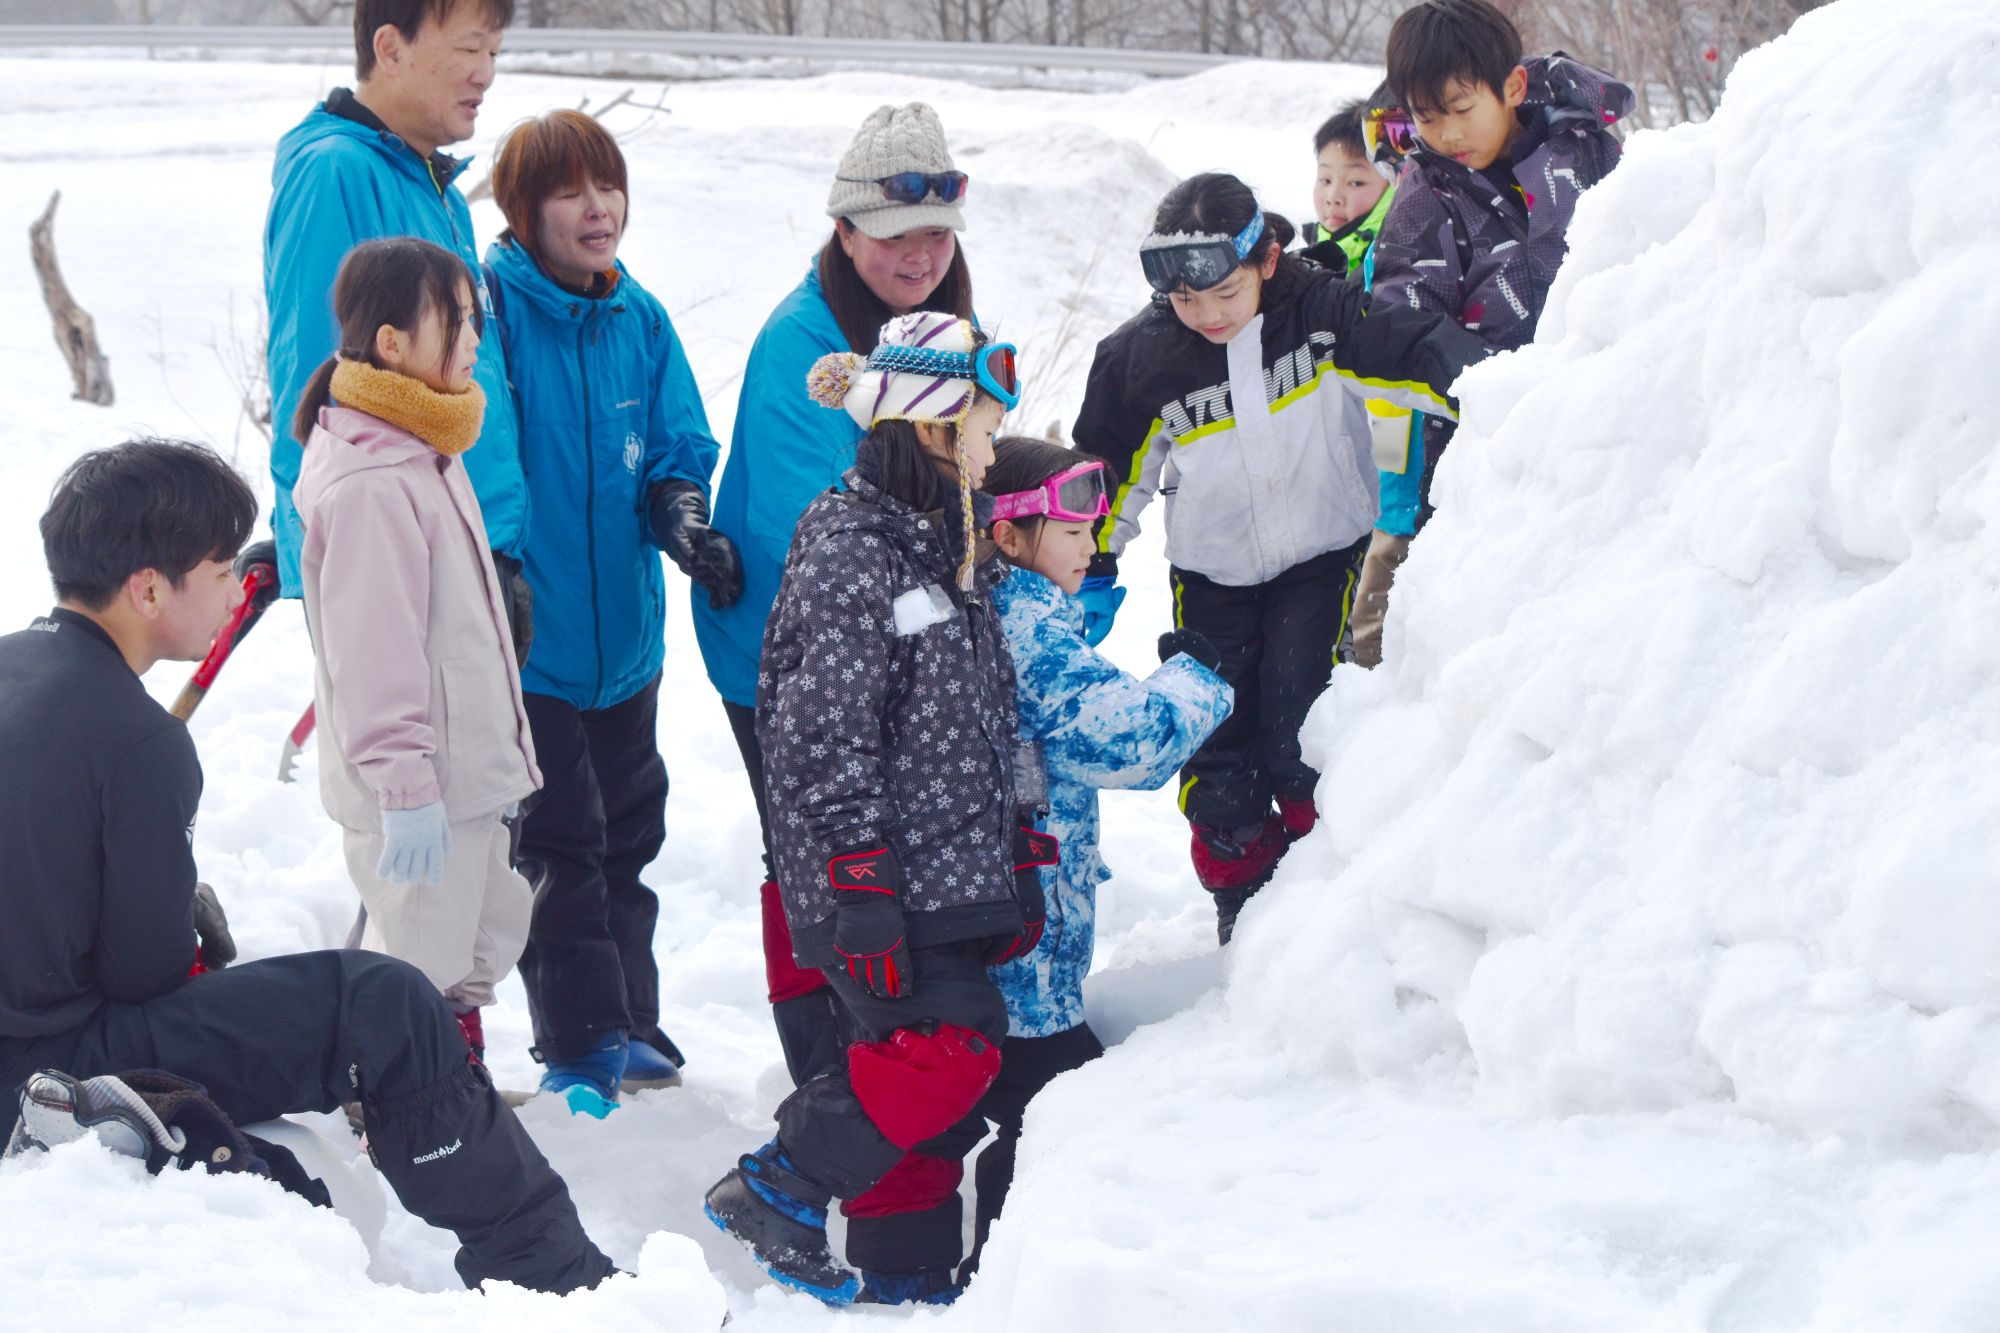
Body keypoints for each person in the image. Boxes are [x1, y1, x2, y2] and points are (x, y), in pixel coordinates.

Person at [0, 438, 614, 1294]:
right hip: (51, 1069)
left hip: (28, 1035)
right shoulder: (139, 737)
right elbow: (144, 971)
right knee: (384, 1001)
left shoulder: (13, 669)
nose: (234, 591)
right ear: (148, 589)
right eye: (220, 570)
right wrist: (185, 925)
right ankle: (555, 1272)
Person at [704, 313, 1032, 1308]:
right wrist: (859, 874)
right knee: (950, 1044)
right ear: (932, 431)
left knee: (904, 1087)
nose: (990, 445)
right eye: (980, 425)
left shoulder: (938, 540)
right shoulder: (854, 550)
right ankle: (780, 1180)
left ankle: (905, 1280)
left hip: (942, 871)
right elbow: (816, 729)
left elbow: (981, 712)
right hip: (882, 875)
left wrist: (1011, 856)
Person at [1071, 172, 1487, 941]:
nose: (1207, 315)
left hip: (1324, 559)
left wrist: (1509, 395)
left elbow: (1421, 355)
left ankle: (1316, 891)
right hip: (1212, 578)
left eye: (1224, 292)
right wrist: (1088, 564)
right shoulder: (1144, 358)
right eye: (1186, 302)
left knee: (1301, 725)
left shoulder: (1322, 314)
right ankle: (1241, 894)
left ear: (1264, 259)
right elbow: (1105, 473)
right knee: (1216, 747)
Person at [690, 102, 977, 1089]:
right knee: (815, 860)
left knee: (877, 854)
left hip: (878, 642)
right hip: (782, 650)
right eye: (895, 236)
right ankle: (823, 1070)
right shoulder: (801, 352)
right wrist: (939, 618)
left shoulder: (938, 325)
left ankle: (873, 1056)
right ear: (846, 231)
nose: (918, 255)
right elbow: (815, 548)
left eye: (936, 234)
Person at [480, 112, 737, 1113]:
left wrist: (684, 525)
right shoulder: (490, 315)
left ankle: (631, 1015)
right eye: (569, 193)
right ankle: (578, 1037)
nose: (597, 210)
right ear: (523, 211)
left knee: (629, 833)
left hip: (626, 644)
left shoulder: (641, 319)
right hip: (532, 645)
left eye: (608, 187)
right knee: (561, 844)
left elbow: (676, 445)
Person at [958, 436, 1234, 1281]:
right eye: (1074, 532)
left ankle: (981, 1269)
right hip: (1024, 944)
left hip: (1016, 916)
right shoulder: (1027, 623)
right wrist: (1202, 677)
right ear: (1010, 537)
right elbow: (1133, 743)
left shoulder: (997, 604)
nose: (1092, 547)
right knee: (1053, 1111)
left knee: (1027, 1106)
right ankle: (1006, 1278)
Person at [290, 237, 537, 1068]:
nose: (473, 338)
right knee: (417, 953)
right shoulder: (373, 479)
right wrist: (403, 785)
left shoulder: (425, 441)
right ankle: (406, 1105)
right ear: (391, 343)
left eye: (475, 318)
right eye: (455, 321)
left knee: (473, 933)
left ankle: (447, 1073)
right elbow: (374, 651)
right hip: (421, 774)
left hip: (459, 765)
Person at [1357, 0, 1632, 665]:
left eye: (1460, 108)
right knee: (1495, 617)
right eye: (1426, 116)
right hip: (1487, 439)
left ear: (1510, 88)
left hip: (1608, 409)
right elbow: (1404, 322)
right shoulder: (1426, 196)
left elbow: (1642, 234)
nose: (1447, 133)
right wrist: (1496, 393)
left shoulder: (1583, 144)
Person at [263, 0, 532, 663]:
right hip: (403, 565)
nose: (487, 74)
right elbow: (313, 377)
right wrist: (329, 543)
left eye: (494, 54)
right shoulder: (334, 172)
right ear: (391, 48)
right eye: (470, 50)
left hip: (466, 542)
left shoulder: (432, 187)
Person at [1298, 88, 1402, 277]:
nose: (1333, 197)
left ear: (1392, 185)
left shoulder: (1394, 265)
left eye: (1355, 183)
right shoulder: (1310, 258)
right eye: (1325, 180)